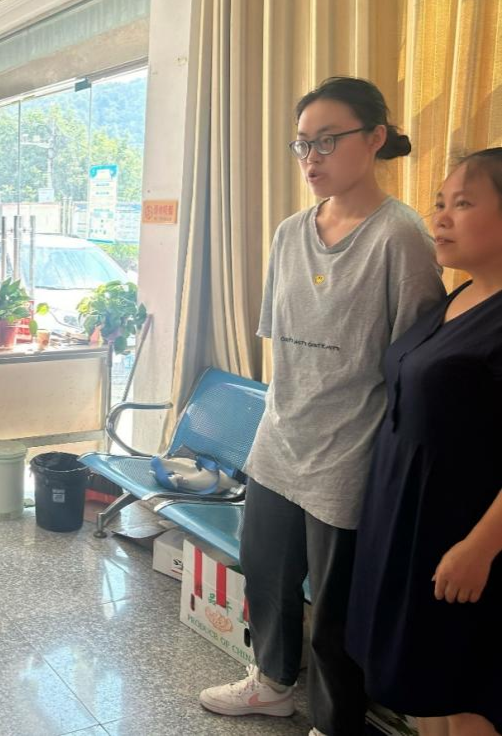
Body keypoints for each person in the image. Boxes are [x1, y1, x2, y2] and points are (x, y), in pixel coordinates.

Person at [198, 77, 445, 736]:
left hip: (350, 450)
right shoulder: (289, 234)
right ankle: (272, 683)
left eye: (328, 141)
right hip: (280, 438)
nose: (311, 157)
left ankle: (335, 724)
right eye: (303, 143)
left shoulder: (401, 237)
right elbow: (280, 343)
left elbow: (415, 363)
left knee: (335, 606)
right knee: (266, 571)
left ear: (375, 138)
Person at [347, 148, 502, 736]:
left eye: (463, 204)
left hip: (464, 534)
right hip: (409, 520)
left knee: (464, 690)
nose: (440, 218)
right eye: (440, 203)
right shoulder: (459, 295)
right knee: (421, 681)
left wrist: (480, 548)